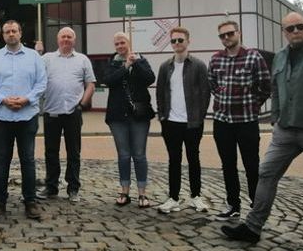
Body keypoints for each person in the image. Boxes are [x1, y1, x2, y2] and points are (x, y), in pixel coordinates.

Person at [222, 12, 303, 251]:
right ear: (284, 32)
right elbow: (276, 89)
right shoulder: (280, 56)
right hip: (286, 129)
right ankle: (253, 227)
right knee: (266, 173)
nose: (294, 32)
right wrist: (276, 118)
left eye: (299, 27)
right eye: (289, 29)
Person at [0, 20, 47, 220]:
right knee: (1, 159)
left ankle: (30, 201)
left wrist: (27, 99)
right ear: (2, 35)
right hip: (2, 115)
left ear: (20, 33)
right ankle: (0, 202)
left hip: (27, 115)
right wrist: (3, 99)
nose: (11, 34)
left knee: (27, 159)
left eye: (14, 31)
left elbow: (42, 82)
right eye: (7, 31)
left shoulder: (34, 56)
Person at [208, 21, 271, 220]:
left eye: (229, 34)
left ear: (238, 33)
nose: (226, 38)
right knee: (228, 165)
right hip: (222, 121)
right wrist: (221, 94)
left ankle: (255, 205)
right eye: (222, 36)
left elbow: (265, 86)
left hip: (246, 122)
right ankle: (233, 205)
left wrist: (253, 105)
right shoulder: (216, 59)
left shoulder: (253, 57)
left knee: (252, 165)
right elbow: (212, 83)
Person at [37, 27, 96, 203]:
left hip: (73, 113)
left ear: (74, 40)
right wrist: (37, 52)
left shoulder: (83, 60)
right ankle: (51, 186)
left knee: (74, 152)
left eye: (69, 36)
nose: (66, 39)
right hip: (51, 112)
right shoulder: (46, 59)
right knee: (51, 152)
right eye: (63, 36)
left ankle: (73, 188)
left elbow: (91, 84)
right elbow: (32, 72)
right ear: (57, 39)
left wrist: (82, 105)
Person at [155, 27, 210, 214]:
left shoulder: (198, 66)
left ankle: (196, 196)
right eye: (173, 41)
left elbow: (205, 92)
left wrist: (199, 116)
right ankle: (174, 198)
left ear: (188, 41)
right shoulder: (165, 67)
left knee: (193, 158)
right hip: (171, 122)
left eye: (180, 40)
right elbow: (160, 92)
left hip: (192, 123)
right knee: (174, 160)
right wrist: (162, 116)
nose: (177, 44)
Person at [103, 32, 156, 208]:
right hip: (117, 116)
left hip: (139, 115)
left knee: (139, 155)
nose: (119, 46)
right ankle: (124, 191)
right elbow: (109, 81)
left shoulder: (141, 60)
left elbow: (150, 79)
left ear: (129, 42)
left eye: (122, 42)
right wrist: (125, 66)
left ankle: (142, 193)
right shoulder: (113, 62)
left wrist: (136, 63)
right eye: (117, 43)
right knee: (124, 155)